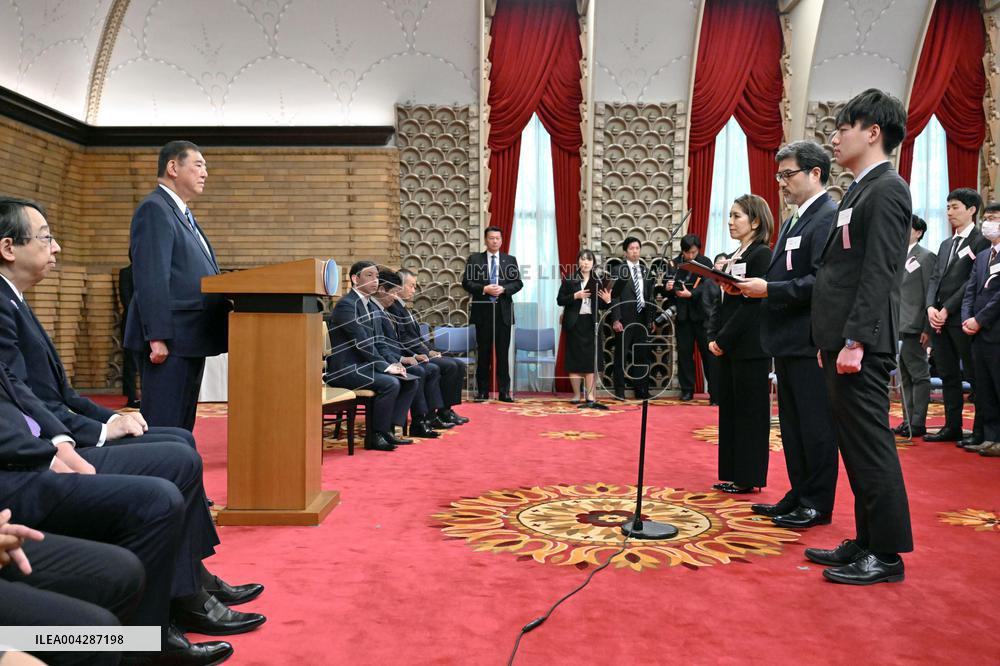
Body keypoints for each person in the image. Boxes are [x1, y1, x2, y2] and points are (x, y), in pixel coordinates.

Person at [0, 371, 238, 665]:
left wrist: (64, 442)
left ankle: (158, 628)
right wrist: (48, 454)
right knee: (97, 634)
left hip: (25, 467)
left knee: (123, 572)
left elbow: (17, 389)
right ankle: (147, 642)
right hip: (15, 477)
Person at [807, 88, 912, 585]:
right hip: (842, 338)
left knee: (871, 445)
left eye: (844, 126)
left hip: (861, 341)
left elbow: (879, 271)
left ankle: (887, 554)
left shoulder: (888, 188)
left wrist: (857, 340)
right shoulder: (857, 190)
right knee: (854, 443)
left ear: (873, 132)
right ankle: (867, 539)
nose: (835, 136)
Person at [0, 197, 195, 452]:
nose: (56, 247)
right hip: (48, 444)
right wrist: (100, 432)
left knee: (180, 439)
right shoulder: (4, 304)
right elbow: (24, 399)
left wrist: (113, 418)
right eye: (46, 238)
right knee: (177, 453)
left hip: (63, 428)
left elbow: (65, 396)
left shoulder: (15, 299)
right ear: (8, 248)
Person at [738, 141, 838, 528]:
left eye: (788, 174)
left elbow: (821, 282)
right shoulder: (798, 217)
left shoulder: (827, 216)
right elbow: (786, 274)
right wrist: (749, 286)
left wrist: (770, 289)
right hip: (787, 337)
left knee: (815, 427)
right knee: (793, 428)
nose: (780, 182)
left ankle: (817, 502)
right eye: (779, 175)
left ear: (815, 173)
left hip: (809, 339)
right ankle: (799, 494)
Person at [126, 141, 230, 432]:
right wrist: (156, 336)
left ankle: (178, 477)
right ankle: (159, 474)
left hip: (190, 337)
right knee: (163, 421)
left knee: (181, 423)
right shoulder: (154, 209)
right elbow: (151, 277)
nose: (205, 173)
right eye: (198, 165)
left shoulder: (181, 212)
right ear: (173, 167)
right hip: (170, 340)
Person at [708, 195, 773, 494]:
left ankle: (749, 476)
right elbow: (728, 300)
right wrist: (715, 335)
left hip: (750, 346)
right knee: (732, 410)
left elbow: (752, 307)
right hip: (732, 344)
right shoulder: (736, 254)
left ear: (755, 221)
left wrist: (723, 338)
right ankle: (734, 473)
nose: (731, 222)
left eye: (737, 216)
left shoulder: (761, 254)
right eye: (731, 216)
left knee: (750, 413)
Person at [325, 261, 418, 452]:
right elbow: (361, 342)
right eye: (369, 276)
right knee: (390, 383)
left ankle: (388, 430)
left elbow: (379, 343)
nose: (375, 280)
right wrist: (385, 367)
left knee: (409, 379)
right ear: (354, 279)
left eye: (376, 276)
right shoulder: (346, 305)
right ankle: (375, 436)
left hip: (365, 365)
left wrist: (393, 363)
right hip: (347, 368)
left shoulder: (371, 306)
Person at [925, 188, 990, 447]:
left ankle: (980, 430)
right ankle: (952, 426)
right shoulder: (945, 244)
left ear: (972, 210)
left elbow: (970, 282)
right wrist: (930, 306)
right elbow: (935, 278)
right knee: (948, 374)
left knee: (974, 376)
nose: (949, 212)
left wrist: (947, 309)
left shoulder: (980, 241)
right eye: (948, 207)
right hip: (938, 320)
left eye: (955, 207)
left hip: (961, 318)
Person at [370, 269, 448, 439]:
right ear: (383, 290)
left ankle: (424, 419)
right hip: (378, 362)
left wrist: (406, 358)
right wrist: (398, 361)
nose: (395, 296)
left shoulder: (384, 309)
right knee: (419, 371)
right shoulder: (376, 310)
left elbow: (392, 342)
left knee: (426, 369)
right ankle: (409, 424)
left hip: (394, 356)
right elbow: (377, 345)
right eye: (394, 292)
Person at [390, 269, 468, 426]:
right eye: (411, 286)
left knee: (458, 364)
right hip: (410, 355)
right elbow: (404, 339)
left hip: (419, 352)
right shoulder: (394, 308)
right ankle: (439, 413)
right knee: (450, 366)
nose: (414, 290)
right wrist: (427, 353)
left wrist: (432, 349)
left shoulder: (404, 308)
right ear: (399, 286)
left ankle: (446, 410)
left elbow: (418, 338)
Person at [461, 226, 522, 402]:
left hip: (502, 312)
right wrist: (483, 289)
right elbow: (466, 283)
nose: (494, 241)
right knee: (484, 354)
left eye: (497, 238)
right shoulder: (475, 259)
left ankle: (504, 392)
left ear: (501, 240)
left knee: (503, 354)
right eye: (491, 238)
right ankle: (482, 392)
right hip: (483, 313)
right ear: (486, 240)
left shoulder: (510, 260)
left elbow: (518, 283)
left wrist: (504, 289)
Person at [960, 203, 1000, 456]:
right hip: (977, 334)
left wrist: (980, 319)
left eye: (993, 218)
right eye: (985, 218)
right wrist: (967, 318)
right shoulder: (985, 254)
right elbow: (970, 290)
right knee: (984, 388)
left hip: (995, 330)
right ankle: (990, 436)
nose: (987, 223)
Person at [893, 215, 936, 438]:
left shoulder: (925, 256)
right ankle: (908, 420)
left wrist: (927, 328)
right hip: (900, 323)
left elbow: (931, 293)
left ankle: (918, 422)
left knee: (919, 375)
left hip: (916, 325)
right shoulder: (899, 255)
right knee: (906, 376)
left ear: (918, 232)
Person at [659, 235, 715, 402]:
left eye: (694, 252)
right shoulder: (674, 264)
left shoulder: (705, 262)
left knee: (708, 355)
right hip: (683, 316)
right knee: (684, 354)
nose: (691, 256)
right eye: (688, 253)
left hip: (703, 316)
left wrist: (692, 293)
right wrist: (667, 287)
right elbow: (666, 290)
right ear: (682, 251)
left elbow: (709, 286)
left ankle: (715, 392)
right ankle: (687, 390)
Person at [556, 249, 612, 404]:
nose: (585, 262)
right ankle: (576, 395)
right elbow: (560, 300)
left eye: (589, 260)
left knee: (590, 362)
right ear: (578, 261)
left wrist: (607, 300)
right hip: (574, 323)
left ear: (593, 263)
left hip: (591, 324)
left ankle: (590, 395)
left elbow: (602, 305)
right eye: (583, 259)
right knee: (574, 361)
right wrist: (575, 296)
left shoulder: (598, 281)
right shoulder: (570, 279)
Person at [610, 237, 655, 400]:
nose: (635, 251)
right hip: (624, 318)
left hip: (642, 317)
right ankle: (619, 391)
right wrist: (616, 319)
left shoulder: (645, 270)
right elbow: (613, 297)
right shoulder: (618, 270)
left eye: (637, 248)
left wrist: (650, 320)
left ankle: (641, 390)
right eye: (631, 248)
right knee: (621, 355)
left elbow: (650, 297)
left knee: (641, 355)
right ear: (625, 252)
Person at [117, 265, 140, 409]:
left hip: (146, 321)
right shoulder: (125, 272)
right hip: (131, 322)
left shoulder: (149, 270)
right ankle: (131, 396)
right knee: (130, 361)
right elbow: (125, 298)